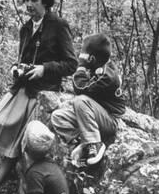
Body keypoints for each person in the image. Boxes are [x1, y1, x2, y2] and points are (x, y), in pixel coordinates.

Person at [0, 0, 77, 194]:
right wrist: (17, 67)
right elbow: (24, 58)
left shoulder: (58, 26)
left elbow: (71, 64)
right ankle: (2, 180)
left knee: (19, 141)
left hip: (42, 93)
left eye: (34, 0)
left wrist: (44, 69)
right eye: (26, 0)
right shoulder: (26, 28)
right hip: (22, 88)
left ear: (45, 1)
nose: (29, 4)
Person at [50, 33, 125, 166]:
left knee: (80, 100)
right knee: (58, 116)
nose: (81, 58)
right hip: (94, 115)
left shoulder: (107, 75)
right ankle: (83, 143)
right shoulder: (97, 66)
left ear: (92, 58)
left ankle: (94, 143)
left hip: (109, 120)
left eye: (83, 56)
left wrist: (81, 67)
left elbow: (80, 88)